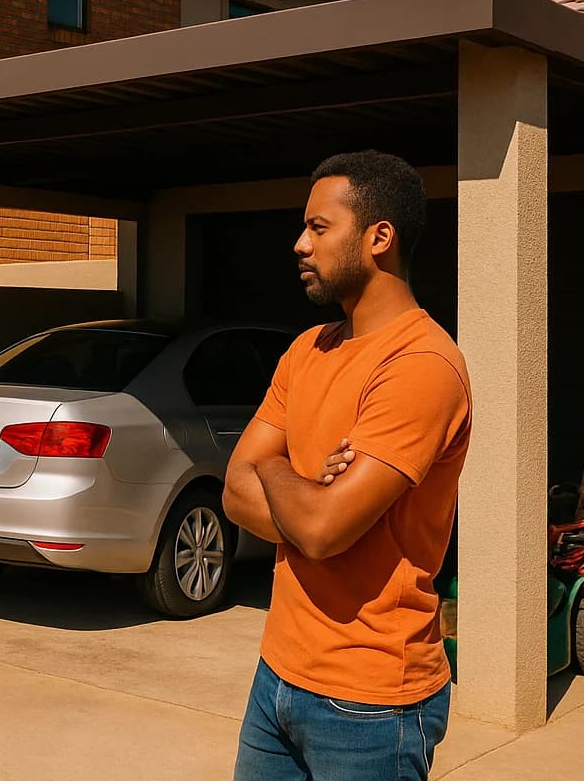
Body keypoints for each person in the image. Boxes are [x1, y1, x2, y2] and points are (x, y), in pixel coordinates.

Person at [223, 150, 471, 781]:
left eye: (319, 227)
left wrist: (276, 472)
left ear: (378, 237)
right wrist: (305, 491)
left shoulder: (420, 365)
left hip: (370, 700)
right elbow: (233, 490)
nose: (299, 244)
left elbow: (323, 530)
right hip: (277, 670)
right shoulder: (308, 349)